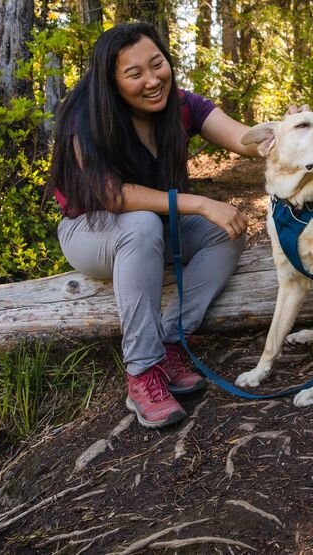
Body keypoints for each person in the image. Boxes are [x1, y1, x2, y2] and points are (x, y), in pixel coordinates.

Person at [49, 21, 263, 429]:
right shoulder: (84, 118)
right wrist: (199, 203)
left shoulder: (181, 106)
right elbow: (111, 196)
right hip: (90, 232)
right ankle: (142, 370)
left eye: (157, 64)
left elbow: (243, 138)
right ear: (111, 83)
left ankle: (172, 339)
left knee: (227, 227)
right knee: (143, 224)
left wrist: (290, 133)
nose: (152, 80)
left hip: (153, 229)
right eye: (134, 74)